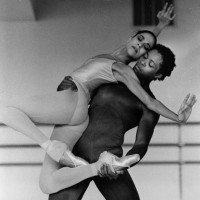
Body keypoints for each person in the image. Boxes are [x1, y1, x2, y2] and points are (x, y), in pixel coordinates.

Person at [0, 3, 195, 168]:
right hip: (73, 100)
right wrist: (160, 25)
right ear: (132, 37)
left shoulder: (122, 70)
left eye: (145, 50)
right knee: (48, 180)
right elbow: (144, 41)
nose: (140, 48)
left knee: (6, 111)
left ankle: (52, 148)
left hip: (74, 98)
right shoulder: (116, 56)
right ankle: (71, 160)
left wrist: (178, 117)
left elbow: (149, 101)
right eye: (140, 42)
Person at [39, 44, 196, 197]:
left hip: (109, 160)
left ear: (158, 75)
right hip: (76, 155)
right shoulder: (109, 78)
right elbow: (77, 95)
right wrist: (68, 86)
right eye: (145, 56)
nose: (143, 62)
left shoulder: (151, 107)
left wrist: (122, 164)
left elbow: (141, 145)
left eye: (150, 64)